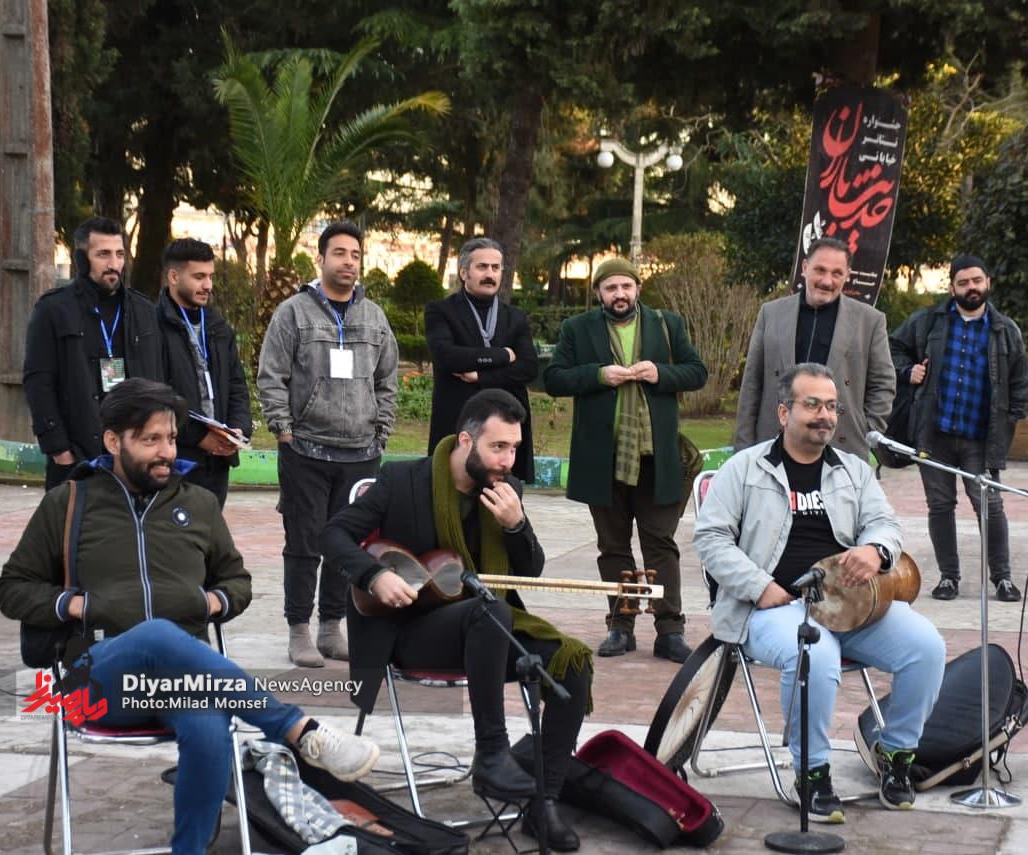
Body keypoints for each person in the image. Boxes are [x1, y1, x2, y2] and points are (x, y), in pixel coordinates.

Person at [0, 379, 380, 855]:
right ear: (114, 441)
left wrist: (210, 604)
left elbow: (236, 582)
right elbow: (12, 588)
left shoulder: (198, 504)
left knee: (209, 729)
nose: (166, 452)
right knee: (157, 635)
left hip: (186, 682)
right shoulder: (70, 502)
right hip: (96, 680)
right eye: (151, 439)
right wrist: (78, 606)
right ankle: (299, 730)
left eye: (172, 438)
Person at [321, 389, 590, 852]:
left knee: (571, 661)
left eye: (514, 448)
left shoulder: (505, 490)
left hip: (485, 632)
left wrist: (516, 526)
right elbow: (333, 535)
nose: (508, 460)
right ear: (466, 441)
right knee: (490, 610)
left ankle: (543, 802)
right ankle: (492, 753)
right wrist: (374, 576)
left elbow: (528, 572)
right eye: (498, 447)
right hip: (409, 630)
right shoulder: (403, 480)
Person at [695, 363, 946, 822]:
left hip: (848, 607)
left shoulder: (854, 470)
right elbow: (710, 539)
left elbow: (885, 524)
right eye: (811, 405)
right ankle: (811, 771)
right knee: (814, 653)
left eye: (831, 406)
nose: (824, 415)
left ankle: (896, 755)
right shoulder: (743, 468)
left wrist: (875, 550)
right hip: (770, 607)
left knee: (926, 646)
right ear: (783, 412)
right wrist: (760, 586)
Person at [544, 258, 708, 662]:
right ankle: (620, 627)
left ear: (637, 288)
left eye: (626, 286)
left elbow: (696, 372)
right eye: (611, 288)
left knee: (660, 545)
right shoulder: (577, 328)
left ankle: (670, 630)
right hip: (602, 459)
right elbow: (554, 379)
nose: (620, 294)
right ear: (598, 293)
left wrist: (660, 373)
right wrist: (599, 375)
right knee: (613, 546)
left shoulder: (666, 324)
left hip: (657, 458)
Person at [258, 222, 399, 668]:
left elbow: (388, 379)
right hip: (306, 452)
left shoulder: (373, 317)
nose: (348, 262)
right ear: (320, 258)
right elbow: (271, 375)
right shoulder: (293, 313)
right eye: (339, 253)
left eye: (355, 255)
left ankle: (330, 629)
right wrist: (283, 430)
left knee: (345, 543)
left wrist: (381, 430)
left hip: (361, 453)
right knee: (303, 544)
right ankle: (299, 629)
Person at [889, 254, 1028, 603]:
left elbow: (1019, 380)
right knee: (940, 506)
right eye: (963, 282)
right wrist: (908, 371)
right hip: (934, 433)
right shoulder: (927, 322)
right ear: (952, 287)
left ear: (988, 283)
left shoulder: (1005, 330)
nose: (971, 287)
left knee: (990, 506)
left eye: (977, 281)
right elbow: (890, 347)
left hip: (981, 437)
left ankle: (1002, 578)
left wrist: (1011, 418)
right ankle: (948, 577)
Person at [23, 216, 164, 489]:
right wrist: (59, 449)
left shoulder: (143, 311)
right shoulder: (53, 309)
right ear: (82, 259)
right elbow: (38, 382)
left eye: (119, 254)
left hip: (135, 455)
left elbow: (158, 380)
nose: (114, 264)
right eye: (103, 254)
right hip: (77, 457)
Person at [734, 237, 896, 461]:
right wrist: (743, 447)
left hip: (842, 447)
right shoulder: (770, 313)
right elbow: (752, 384)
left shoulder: (870, 321)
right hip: (775, 443)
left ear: (847, 275)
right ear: (804, 267)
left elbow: (884, 383)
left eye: (837, 273)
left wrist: (865, 429)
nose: (827, 281)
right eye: (820, 270)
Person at [425, 237, 539, 482]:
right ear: (464, 272)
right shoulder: (440, 311)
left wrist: (480, 376)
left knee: (502, 499)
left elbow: (529, 368)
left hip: (506, 423)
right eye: (482, 267)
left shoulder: (515, 317)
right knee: (451, 494)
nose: (490, 274)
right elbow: (447, 357)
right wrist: (502, 355)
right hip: (458, 421)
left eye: (495, 268)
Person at [156, 238, 252, 507]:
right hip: (176, 459)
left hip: (218, 460)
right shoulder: (153, 327)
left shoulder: (218, 327)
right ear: (174, 277)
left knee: (209, 530)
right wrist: (199, 437)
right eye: (199, 277)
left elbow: (237, 385)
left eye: (210, 276)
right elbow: (156, 395)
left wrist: (238, 430)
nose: (208, 285)